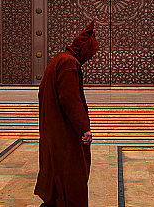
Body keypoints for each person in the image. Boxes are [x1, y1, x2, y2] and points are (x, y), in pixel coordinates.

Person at [35, 20, 99, 207]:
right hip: (65, 133)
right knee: (73, 175)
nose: (90, 57)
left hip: (54, 130)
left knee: (58, 171)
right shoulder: (69, 64)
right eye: (90, 53)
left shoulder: (59, 59)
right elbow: (70, 99)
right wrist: (84, 128)